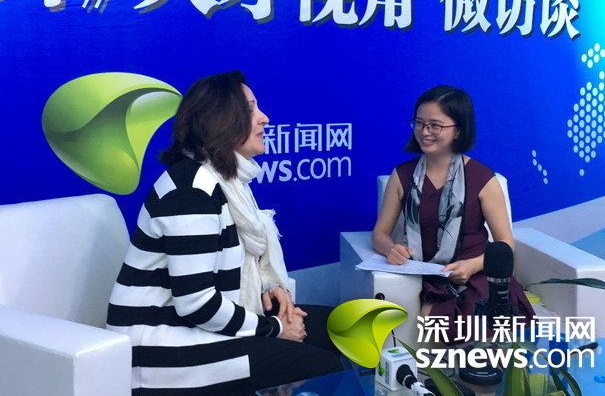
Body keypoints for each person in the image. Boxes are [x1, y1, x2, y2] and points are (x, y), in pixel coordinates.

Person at [106, 71, 342, 396]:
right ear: (220, 121)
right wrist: (274, 327)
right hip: (162, 346)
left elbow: (242, 259)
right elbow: (196, 303)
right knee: (320, 365)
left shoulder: (225, 179)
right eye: (251, 109)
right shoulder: (190, 191)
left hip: (196, 325)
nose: (264, 118)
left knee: (334, 327)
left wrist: (270, 286)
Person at [371, 85, 534, 346]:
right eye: (419, 123)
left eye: (435, 126)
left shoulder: (483, 178)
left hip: (478, 274)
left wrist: (472, 266)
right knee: (436, 324)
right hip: (430, 275)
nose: (424, 132)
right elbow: (379, 234)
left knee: (486, 328)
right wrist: (391, 249)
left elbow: (506, 245)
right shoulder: (401, 175)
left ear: (458, 129)